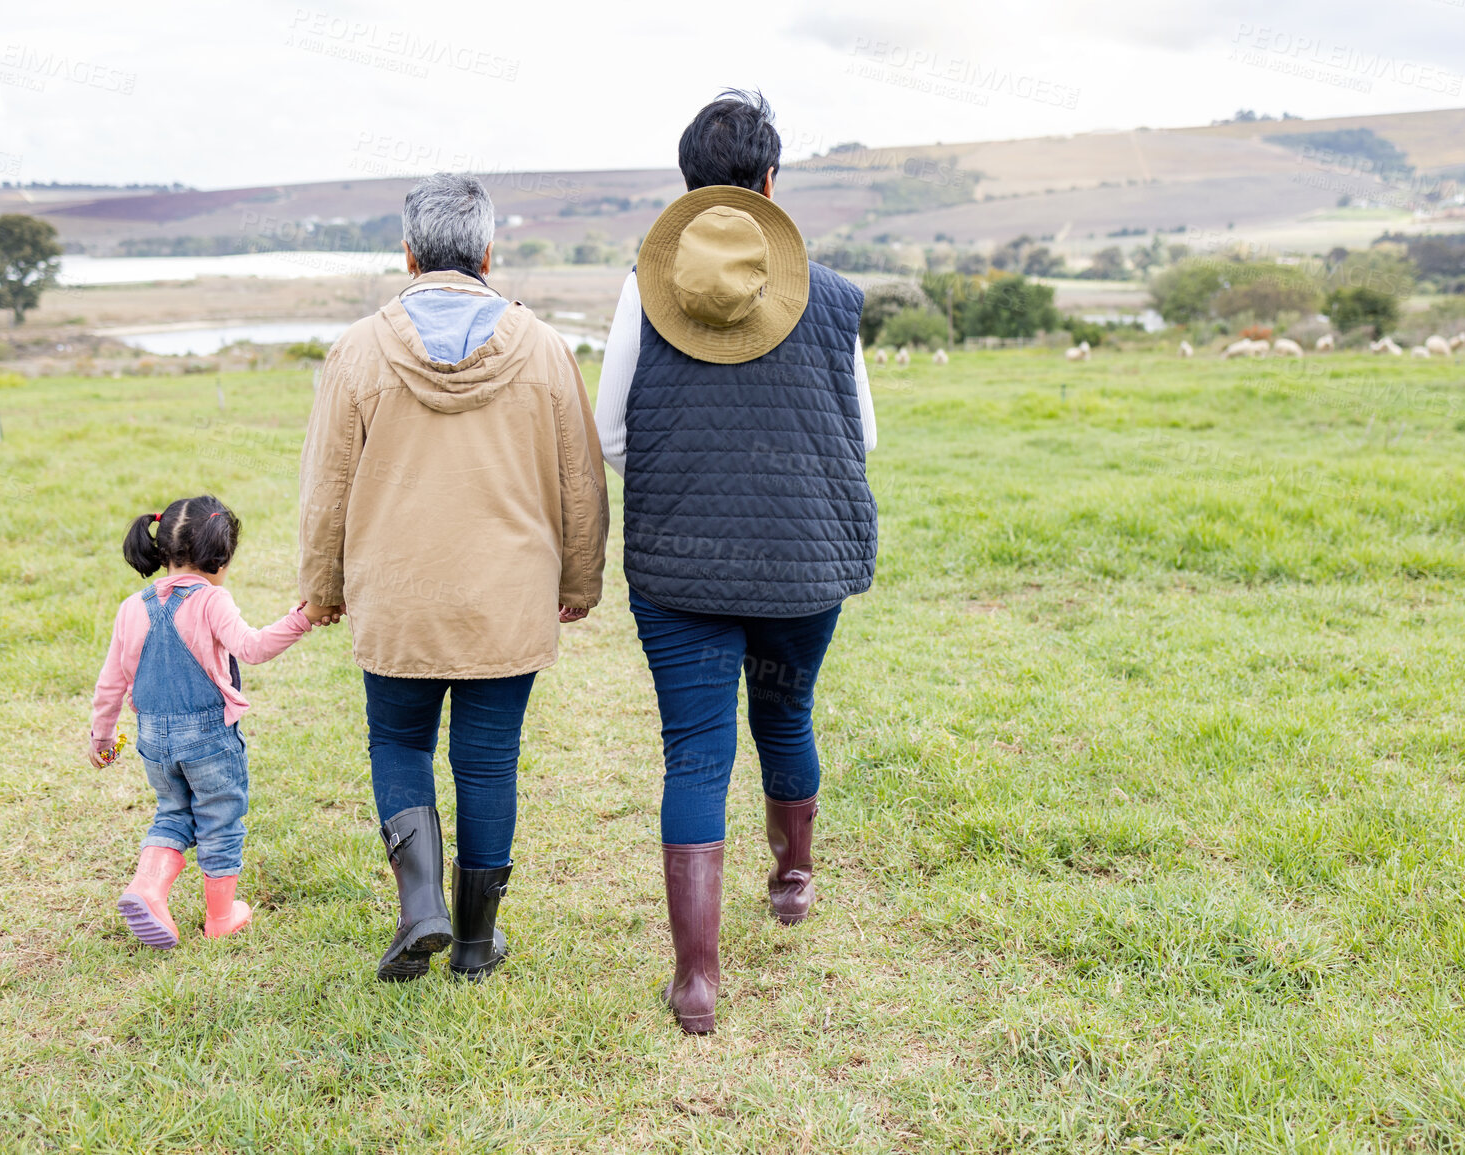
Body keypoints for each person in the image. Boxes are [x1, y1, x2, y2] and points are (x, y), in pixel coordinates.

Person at [594, 90, 878, 1033]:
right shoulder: (833, 297)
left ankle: (697, 979)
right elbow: (861, 437)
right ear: (769, 184)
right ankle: (792, 879)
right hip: (802, 562)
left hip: (680, 569)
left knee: (695, 751)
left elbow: (609, 435)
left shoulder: (641, 291)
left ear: (685, 188)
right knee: (785, 712)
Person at [299, 172, 609, 983]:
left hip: (398, 596)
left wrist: (322, 587)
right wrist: (580, 577)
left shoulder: (359, 349)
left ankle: (420, 909)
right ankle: (474, 943)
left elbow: (326, 485)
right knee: (489, 760)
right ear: (487, 251)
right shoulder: (542, 347)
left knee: (398, 740)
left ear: (407, 253)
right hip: (505, 599)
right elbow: (580, 477)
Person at [90, 495, 334, 949]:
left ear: (162, 551)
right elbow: (254, 647)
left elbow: (110, 683)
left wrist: (102, 737)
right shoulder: (211, 600)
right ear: (219, 557)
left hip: (153, 741)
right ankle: (221, 917)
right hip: (207, 738)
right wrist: (303, 618)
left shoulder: (132, 606)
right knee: (220, 819)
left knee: (173, 812)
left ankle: (147, 887)